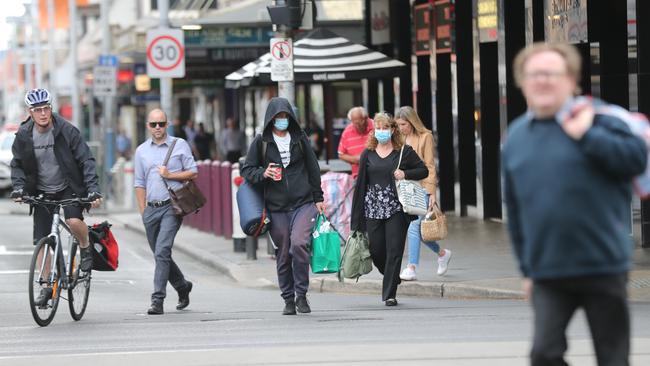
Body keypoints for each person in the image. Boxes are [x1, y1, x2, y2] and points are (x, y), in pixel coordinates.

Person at [502, 43, 647, 366]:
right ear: (523, 82)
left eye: (551, 74)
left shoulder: (599, 120)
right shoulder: (517, 137)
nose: (542, 81)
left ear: (571, 80)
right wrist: (527, 270)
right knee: (544, 353)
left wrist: (587, 136)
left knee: (613, 358)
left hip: (603, 264)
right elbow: (515, 209)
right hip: (548, 270)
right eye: (534, 74)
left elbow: (636, 159)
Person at [10, 88, 102, 306]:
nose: (43, 113)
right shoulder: (24, 135)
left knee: (72, 220)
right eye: (37, 110)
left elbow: (86, 161)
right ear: (29, 112)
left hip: (68, 187)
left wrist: (92, 190)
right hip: (41, 190)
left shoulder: (66, 131)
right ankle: (45, 286)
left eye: (46, 108)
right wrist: (19, 188)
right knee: (43, 241)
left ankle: (85, 244)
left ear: (51, 108)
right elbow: (18, 165)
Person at [241, 97, 325, 315]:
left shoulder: (299, 138)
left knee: (299, 244)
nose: (282, 120)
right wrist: (264, 173)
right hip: (276, 207)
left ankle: (302, 295)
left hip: (303, 203)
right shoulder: (262, 141)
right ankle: (288, 299)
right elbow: (247, 170)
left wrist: (318, 197)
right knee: (283, 253)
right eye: (278, 117)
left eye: (285, 117)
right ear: (270, 119)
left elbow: (313, 167)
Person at [350, 112, 428, 306]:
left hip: (396, 209)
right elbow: (360, 186)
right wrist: (356, 219)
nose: (381, 131)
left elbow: (423, 170)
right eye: (378, 128)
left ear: (393, 130)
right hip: (373, 209)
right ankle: (392, 276)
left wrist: (405, 173)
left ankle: (390, 294)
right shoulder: (367, 154)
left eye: (385, 128)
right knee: (376, 251)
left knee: (394, 251)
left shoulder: (403, 151)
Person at [134, 108, 197, 315]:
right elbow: (139, 183)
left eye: (161, 123)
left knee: (162, 251)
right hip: (150, 209)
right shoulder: (141, 151)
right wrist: (143, 211)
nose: (158, 127)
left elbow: (193, 172)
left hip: (172, 207)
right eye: (154, 124)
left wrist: (170, 174)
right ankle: (182, 286)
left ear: (167, 124)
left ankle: (157, 300)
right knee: (161, 255)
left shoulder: (179, 145)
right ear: (148, 126)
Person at [395, 106, 452, 281]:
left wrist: (431, 192)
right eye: (399, 125)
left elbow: (430, 166)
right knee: (419, 232)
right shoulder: (400, 138)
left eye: (404, 124)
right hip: (406, 189)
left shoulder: (425, 137)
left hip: (422, 188)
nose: (401, 128)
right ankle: (442, 254)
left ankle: (411, 267)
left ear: (412, 121)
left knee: (413, 227)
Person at [337, 106, 374, 178]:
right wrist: (355, 159)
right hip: (358, 176)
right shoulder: (347, 131)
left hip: (377, 175)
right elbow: (341, 154)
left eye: (358, 123)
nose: (355, 126)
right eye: (353, 122)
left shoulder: (377, 127)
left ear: (365, 118)